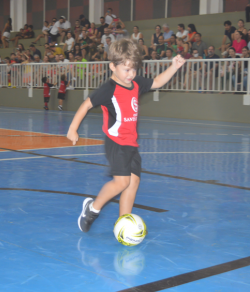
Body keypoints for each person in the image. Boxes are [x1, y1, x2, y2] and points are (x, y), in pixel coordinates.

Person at [67, 38, 186, 232]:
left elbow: (156, 82)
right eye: (126, 69)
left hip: (131, 143)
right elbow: (87, 104)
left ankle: (123, 223)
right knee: (122, 181)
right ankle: (92, 209)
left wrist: (174, 67)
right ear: (112, 66)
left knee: (133, 182)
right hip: (116, 142)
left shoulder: (136, 83)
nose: (131, 74)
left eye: (134, 69)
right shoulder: (109, 89)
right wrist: (73, 128)